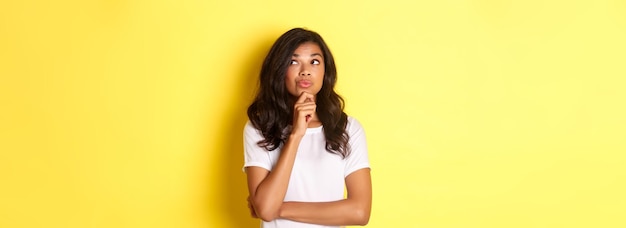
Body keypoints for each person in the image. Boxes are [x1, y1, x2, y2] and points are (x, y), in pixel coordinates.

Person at [243, 28, 372, 228]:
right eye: (293, 62)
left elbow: (359, 212)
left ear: (325, 71)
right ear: (279, 70)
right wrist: (296, 135)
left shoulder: (347, 129)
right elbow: (266, 209)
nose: (305, 70)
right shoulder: (259, 127)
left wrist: (279, 209)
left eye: (314, 61)